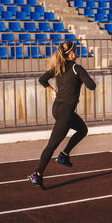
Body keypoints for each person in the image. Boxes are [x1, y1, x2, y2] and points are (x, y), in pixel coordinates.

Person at [28, 41, 96, 189]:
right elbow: (92, 86)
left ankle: (64, 155)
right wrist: (84, 77)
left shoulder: (59, 67)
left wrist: (52, 90)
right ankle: (37, 174)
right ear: (71, 53)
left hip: (57, 108)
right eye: (76, 51)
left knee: (82, 130)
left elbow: (42, 80)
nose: (77, 53)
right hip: (65, 111)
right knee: (52, 145)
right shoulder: (77, 68)